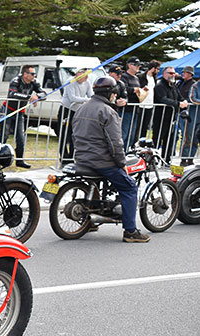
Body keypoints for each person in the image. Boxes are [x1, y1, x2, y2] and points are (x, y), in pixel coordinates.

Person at [72, 76, 150, 243]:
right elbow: (115, 143)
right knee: (129, 187)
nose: (115, 96)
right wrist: (121, 164)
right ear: (109, 93)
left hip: (81, 158)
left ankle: (90, 221)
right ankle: (130, 231)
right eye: (114, 93)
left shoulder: (81, 108)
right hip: (101, 162)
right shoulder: (108, 111)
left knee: (102, 184)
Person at [0, 65, 45, 168]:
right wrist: (30, 97)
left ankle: (19, 160)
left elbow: (44, 93)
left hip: (20, 112)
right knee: (4, 136)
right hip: (8, 110)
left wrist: (37, 97)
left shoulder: (34, 82)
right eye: (32, 73)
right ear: (25, 74)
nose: (34, 75)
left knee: (20, 137)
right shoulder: (16, 80)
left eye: (34, 74)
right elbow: (12, 94)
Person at [153, 66, 188, 163]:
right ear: (164, 74)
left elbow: (180, 97)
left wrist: (184, 101)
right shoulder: (160, 86)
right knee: (158, 139)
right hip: (160, 117)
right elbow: (163, 99)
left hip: (171, 117)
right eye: (170, 73)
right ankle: (152, 161)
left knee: (170, 139)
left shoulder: (173, 86)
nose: (173, 75)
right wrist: (178, 104)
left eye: (173, 73)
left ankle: (166, 159)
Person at [59, 68, 93, 162]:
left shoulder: (87, 82)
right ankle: (64, 158)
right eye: (79, 75)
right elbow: (72, 98)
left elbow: (91, 94)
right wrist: (87, 100)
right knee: (64, 135)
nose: (78, 78)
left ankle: (72, 157)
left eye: (84, 76)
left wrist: (93, 99)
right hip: (66, 109)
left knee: (76, 135)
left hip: (78, 111)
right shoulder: (71, 81)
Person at [120, 56, 147, 150]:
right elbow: (123, 89)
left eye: (139, 65)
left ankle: (127, 151)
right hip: (126, 109)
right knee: (124, 132)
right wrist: (134, 90)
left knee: (132, 134)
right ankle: (120, 152)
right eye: (136, 65)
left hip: (136, 109)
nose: (138, 67)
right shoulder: (124, 77)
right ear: (129, 65)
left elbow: (136, 91)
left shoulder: (136, 78)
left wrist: (142, 91)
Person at [136, 60, 160, 141]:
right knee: (138, 126)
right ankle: (134, 143)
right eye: (157, 69)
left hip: (150, 105)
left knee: (145, 127)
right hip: (141, 104)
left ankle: (142, 143)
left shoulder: (154, 78)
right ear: (153, 68)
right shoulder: (141, 77)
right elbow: (137, 89)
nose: (158, 71)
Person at [176, 65, 196, 164]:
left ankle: (188, 159)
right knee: (183, 136)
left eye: (185, 72)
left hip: (190, 114)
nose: (182, 73)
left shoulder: (193, 85)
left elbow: (191, 98)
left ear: (190, 74)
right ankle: (184, 158)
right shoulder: (180, 83)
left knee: (189, 136)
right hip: (180, 113)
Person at [186, 74, 200, 166]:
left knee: (196, 139)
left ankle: (191, 158)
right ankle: (184, 158)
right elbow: (192, 98)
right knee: (188, 137)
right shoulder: (195, 85)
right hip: (192, 115)